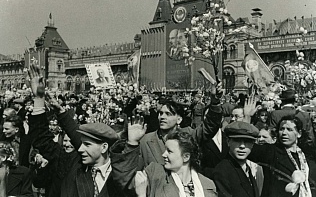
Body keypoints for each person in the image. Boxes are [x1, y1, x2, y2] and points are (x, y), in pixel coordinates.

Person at [27, 63, 123, 197]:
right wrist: (38, 99)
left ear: (104, 147)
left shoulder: (122, 172)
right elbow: (41, 139)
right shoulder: (71, 164)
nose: (80, 148)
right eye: (82, 143)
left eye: (88, 144)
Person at [110, 119, 217, 197]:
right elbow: (124, 181)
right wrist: (132, 143)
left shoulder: (207, 184)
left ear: (186, 157)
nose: (163, 154)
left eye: (169, 151)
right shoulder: (155, 173)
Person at [213, 121, 260, 197]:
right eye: (237, 140)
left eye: (247, 141)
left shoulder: (247, 168)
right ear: (228, 141)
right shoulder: (222, 171)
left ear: (252, 144)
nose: (242, 146)